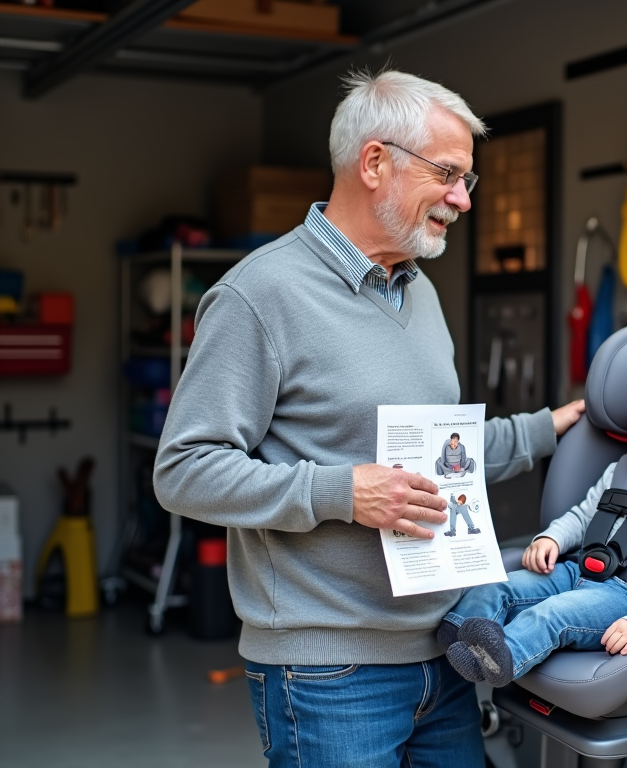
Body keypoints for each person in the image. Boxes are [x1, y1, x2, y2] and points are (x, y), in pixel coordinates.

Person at [153, 69, 585, 768]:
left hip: (445, 651)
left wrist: (553, 426)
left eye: (467, 180)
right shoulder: (258, 295)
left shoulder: (419, 293)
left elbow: (436, 454)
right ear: (375, 161)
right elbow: (184, 472)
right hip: (328, 672)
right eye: (448, 174)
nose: (461, 199)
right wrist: (344, 493)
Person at [440, 353, 627, 688]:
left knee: (553, 613)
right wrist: (553, 538)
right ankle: (456, 632)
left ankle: (502, 657)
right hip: (578, 569)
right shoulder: (622, 471)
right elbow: (585, 516)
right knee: (501, 585)